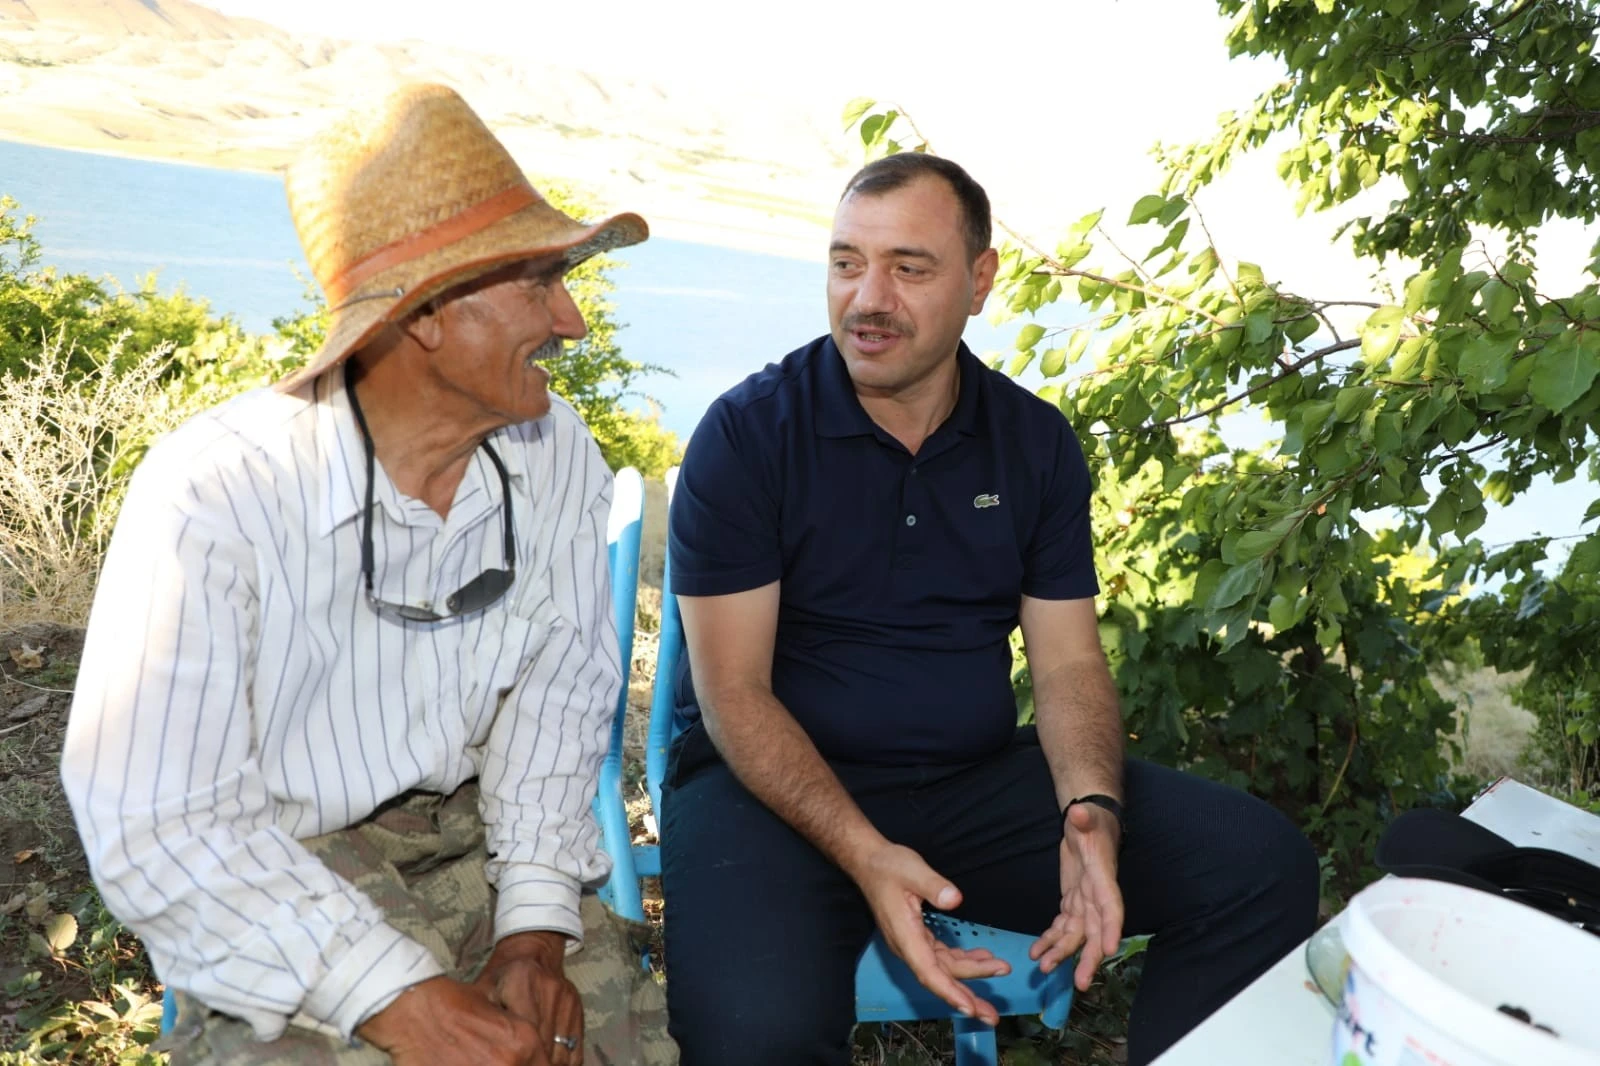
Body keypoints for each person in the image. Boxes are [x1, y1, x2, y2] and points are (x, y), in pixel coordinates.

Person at [61, 82, 676, 1066]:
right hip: (272, 859)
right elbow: (158, 817)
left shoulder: (554, 454)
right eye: (538, 283)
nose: (571, 321)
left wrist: (530, 926)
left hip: (478, 837)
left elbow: (557, 699)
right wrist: (398, 999)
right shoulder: (219, 492)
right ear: (426, 314)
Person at [661, 152, 1319, 1066]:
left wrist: (1091, 807)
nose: (868, 299)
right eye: (847, 262)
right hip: (770, 789)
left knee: (1260, 870)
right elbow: (731, 693)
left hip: (966, 783)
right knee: (754, 1040)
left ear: (980, 281)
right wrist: (863, 851)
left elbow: (1066, 663)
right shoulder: (749, 436)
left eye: (909, 267)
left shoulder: (1032, 443)